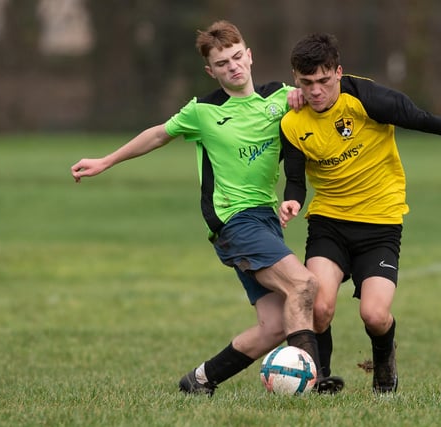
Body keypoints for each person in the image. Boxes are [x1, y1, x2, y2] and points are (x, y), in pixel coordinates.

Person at [70, 21, 343, 395]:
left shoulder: (281, 97)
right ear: (211, 71)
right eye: (222, 63)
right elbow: (158, 134)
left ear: (249, 56)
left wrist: (299, 96)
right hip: (234, 222)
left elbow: (322, 89)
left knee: (274, 326)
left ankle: (199, 381)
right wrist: (107, 160)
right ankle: (310, 382)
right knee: (304, 284)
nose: (232, 66)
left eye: (236, 57)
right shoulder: (203, 110)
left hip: (265, 221)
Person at [279, 33, 441, 393]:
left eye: (324, 81)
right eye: (306, 83)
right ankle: (319, 378)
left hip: (380, 225)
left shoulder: (369, 99)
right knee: (320, 307)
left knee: (374, 316)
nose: (315, 91)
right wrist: (292, 199)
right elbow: (295, 178)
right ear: (296, 80)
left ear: (339, 73)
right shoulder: (292, 121)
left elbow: (427, 120)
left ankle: (384, 365)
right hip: (329, 223)